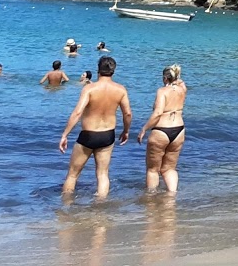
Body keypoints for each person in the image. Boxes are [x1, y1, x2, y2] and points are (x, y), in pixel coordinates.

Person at [59, 55, 132, 198]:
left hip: (88, 135)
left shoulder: (90, 89)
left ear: (98, 69)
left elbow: (78, 112)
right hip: (107, 135)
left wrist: (65, 135)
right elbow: (128, 114)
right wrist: (126, 131)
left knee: (73, 175)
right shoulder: (121, 90)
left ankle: (66, 207)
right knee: (103, 174)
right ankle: (101, 208)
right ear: (113, 71)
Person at [137, 64, 186, 194]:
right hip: (179, 130)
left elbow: (158, 113)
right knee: (169, 168)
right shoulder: (182, 90)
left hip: (161, 131)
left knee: (153, 169)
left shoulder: (162, 91)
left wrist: (144, 129)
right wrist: (176, 78)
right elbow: (181, 82)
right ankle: (172, 196)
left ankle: (151, 198)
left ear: (165, 78)